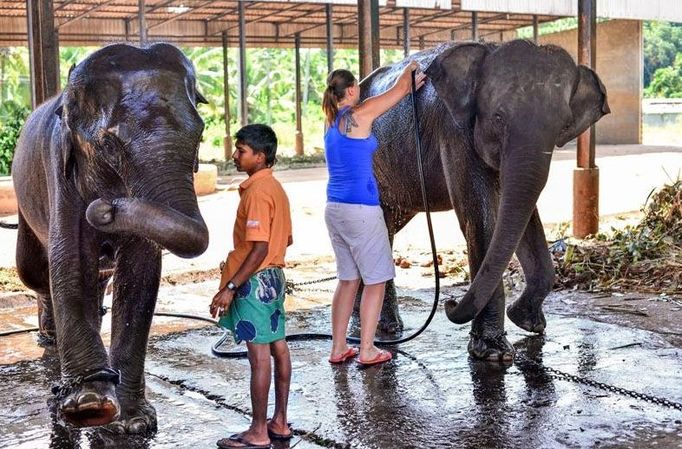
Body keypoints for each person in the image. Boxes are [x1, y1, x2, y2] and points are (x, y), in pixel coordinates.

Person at [322, 62, 426, 367]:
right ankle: (367, 349)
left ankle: (338, 347)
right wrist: (410, 69)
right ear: (352, 89)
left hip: (335, 209)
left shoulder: (330, 122)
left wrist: (406, 88)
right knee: (377, 280)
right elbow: (398, 90)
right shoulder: (360, 113)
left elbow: (400, 93)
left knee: (348, 280)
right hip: (361, 211)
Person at [210, 124, 294, 449]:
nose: (234, 155)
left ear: (259, 156)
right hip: (274, 279)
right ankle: (280, 422)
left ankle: (258, 432)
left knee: (259, 357)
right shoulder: (275, 188)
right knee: (278, 347)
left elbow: (258, 247)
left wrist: (231, 285)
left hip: (254, 282)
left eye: (241, 150)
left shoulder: (257, 193)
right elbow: (284, 239)